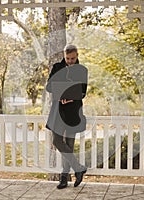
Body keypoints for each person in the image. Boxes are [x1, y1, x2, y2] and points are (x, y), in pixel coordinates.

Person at [46, 44, 88, 189]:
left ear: (77, 56)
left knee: (69, 146)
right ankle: (78, 168)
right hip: (58, 110)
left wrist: (71, 97)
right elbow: (48, 87)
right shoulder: (57, 67)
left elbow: (83, 92)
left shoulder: (82, 70)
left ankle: (64, 178)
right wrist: (61, 94)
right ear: (64, 55)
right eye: (68, 58)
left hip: (73, 111)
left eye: (73, 58)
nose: (70, 61)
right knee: (57, 141)